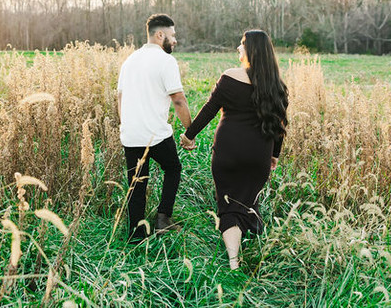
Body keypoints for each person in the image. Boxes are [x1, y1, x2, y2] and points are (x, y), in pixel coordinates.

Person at [180, 29, 288, 269]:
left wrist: (189, 136)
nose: (238, 48)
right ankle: (251, 241)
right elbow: (279, 125)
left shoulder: (230, 77)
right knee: (249, 200)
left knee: (228, 204)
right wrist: (274, 155)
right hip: (258, 155)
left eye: (241, 44)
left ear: (251, 50)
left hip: (228, 152)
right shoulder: (277, 86)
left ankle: (233, 262)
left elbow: (209, 110)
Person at [117, 13, 193, 242]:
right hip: (155, 135)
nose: (175, 40)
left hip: (130, 134)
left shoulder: (129, 60)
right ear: (160, 35)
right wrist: (189, 132)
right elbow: (178, 99)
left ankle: (135, 234)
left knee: (136, 183)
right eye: (172, 35)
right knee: (173, 168)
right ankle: (163, 219)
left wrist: (126, 124)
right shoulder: (166, 61)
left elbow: (119, 98)